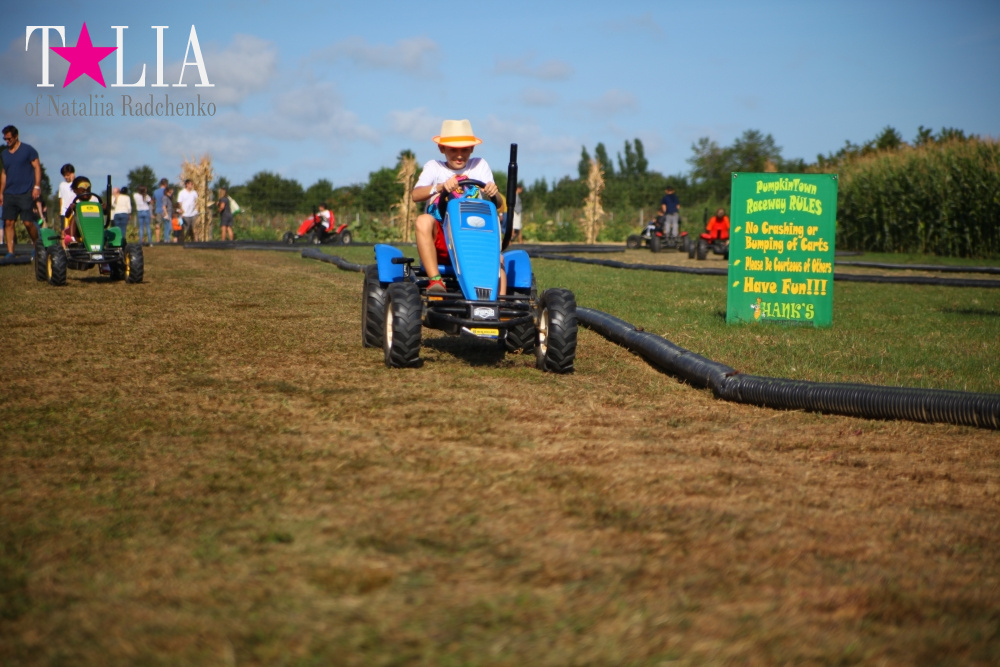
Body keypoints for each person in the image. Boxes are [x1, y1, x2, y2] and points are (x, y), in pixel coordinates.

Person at [412, 119, 504, 293]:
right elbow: (415, 195)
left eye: (464, 149)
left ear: (472, 149)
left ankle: (499, 305)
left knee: (499, 262)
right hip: (442, 240)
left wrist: (494, 193)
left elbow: (497, 204)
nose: (459, 155)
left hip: (473, 237)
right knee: (423, 220)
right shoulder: (435, 168)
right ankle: (436, 281)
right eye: (453, 149)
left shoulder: (479, 166)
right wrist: (440, 187)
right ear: (442, 149)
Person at [0, 125, 42, 260]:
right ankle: (10, 252)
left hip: (25, 192)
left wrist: (37, 186)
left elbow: (37, 167)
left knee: (28, 222)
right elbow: (4, 173)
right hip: (9, 193)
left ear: (16, 136)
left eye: (9, 138)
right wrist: (1, 192)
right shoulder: (4, 154)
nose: (7, 141)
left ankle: (37, 246)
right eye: (5, 139)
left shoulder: (28, 150)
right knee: (8, 222)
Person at [152, 178, 168, 243]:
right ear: (166, 184)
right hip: (166, 211)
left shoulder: (155, 191)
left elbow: (153, 200)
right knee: (166, 226)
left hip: (158, 210)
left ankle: (157, 239)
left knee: (158, 225)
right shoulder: (167, 191)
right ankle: (166, 239)